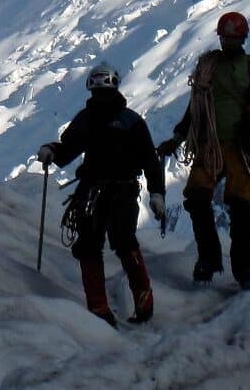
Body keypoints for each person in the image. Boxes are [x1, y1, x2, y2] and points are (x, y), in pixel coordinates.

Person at [37, 62, 164, 327]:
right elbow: (150, 161)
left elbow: (67, 149)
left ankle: (100, 307)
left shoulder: (90, 119)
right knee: (114, 243)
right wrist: (156, 193)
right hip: (111, 190)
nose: (100, 97)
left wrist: (52, 151)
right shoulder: (129, 121)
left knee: (99, 245)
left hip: (102, 190)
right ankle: (136, 300)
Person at [157, 11, 250, 290]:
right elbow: (194, 109)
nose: (229, 43)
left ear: (242, 38)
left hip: (237, 146)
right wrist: (177, 137)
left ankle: (241, 265)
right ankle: (212, 259)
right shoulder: (211, 68)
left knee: (239, 207)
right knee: (199, 199)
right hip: (211, 145)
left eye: (232, 38)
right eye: (226, 38)